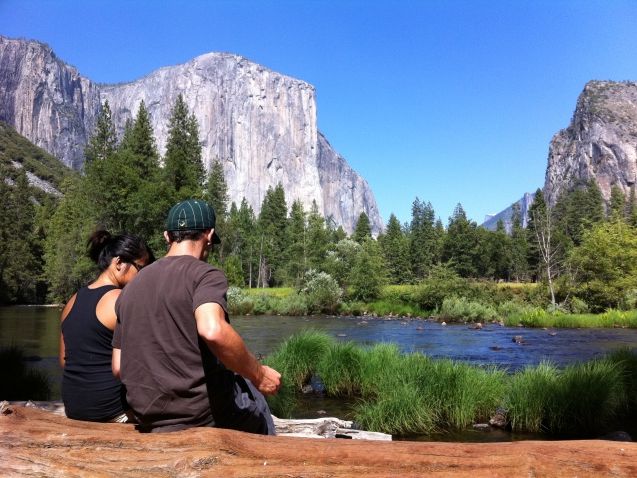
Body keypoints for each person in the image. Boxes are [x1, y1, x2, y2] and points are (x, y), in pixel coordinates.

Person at [112, 199, 281, 434]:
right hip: (203, 417)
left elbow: (119, 367)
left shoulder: (130, 288)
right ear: (209, 235)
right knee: (256, 400)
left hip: (148, 418)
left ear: (167, 236)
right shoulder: (205, 275)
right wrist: (260, 375)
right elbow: (212, 330)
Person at [60, 230, 154, 422]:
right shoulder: (121, 300)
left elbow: (64, 360)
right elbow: (147, 359)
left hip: (74, 408)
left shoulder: (73, 300)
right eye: (141, 269)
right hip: (112, 411)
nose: (143, 277)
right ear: (119, 263)